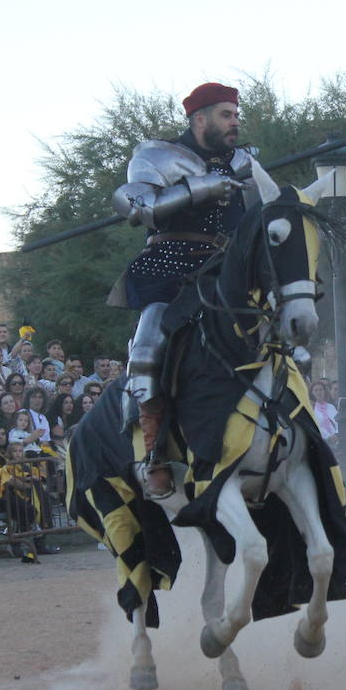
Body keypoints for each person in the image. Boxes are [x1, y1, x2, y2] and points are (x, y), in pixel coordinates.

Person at [109, 81, 258, 498]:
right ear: (199, 119)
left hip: (227, 269)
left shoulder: (243, 162)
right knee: (146, 349)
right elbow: (135, 206)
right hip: (171, 264)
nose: (235, 122)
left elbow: (260, 215)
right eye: (226, 115)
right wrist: (197, 189)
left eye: (236, 115)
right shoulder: (159, 156)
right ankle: (154, 453)